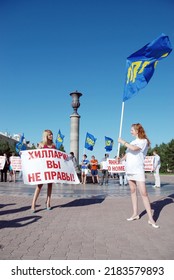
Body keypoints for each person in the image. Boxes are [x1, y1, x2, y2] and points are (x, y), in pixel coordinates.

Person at [118, 123, 159, 228]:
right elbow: (128, 153)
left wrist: (123, 142)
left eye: (132, 129)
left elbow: (134, 148)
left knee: (144, 193)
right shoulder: (132, 141)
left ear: (137, 131)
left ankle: (151, 219)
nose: (130, 131)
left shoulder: (143, 141)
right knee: (132, 191)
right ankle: (135, 214)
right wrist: (121, 159)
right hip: (129, 169)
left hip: (138, 169)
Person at [31, 129, 56, 213]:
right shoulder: (41, 144)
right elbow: (36, 155)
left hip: (51, 168)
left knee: (50, 185)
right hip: (42, 168)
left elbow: (56, 156)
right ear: (46, 136)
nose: (51, 136)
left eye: (52, 134)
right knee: (39, 186)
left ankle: (48, 202)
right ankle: (33, 203)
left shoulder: (53, 145)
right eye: (50, 135)